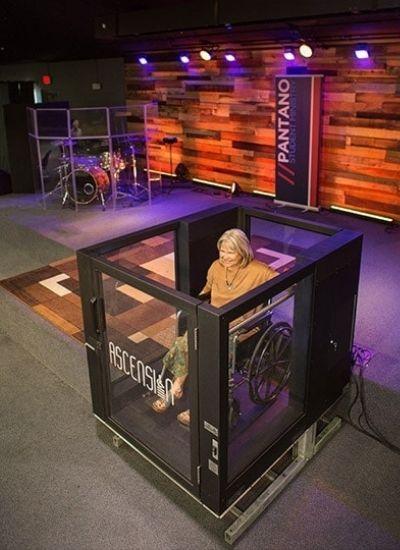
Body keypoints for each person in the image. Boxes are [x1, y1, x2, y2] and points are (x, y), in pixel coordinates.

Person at [152, 228, 279, 426]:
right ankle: (177, 386)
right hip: (214, 320)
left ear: (243, 251)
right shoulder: (216, 267)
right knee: (185, 342)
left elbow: (286, 282)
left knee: (208, 355)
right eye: (222, 251)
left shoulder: (260, 271)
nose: (224, 256)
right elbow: (206, 291)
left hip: (242, 327)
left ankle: (198, 406)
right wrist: (196, 306)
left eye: (230, 252)